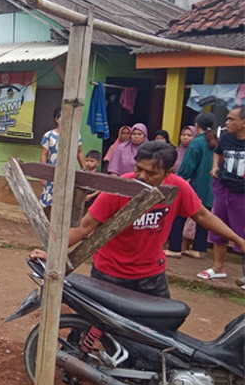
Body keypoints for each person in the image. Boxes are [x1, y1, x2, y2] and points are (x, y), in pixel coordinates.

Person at [31, 141, 245, 298]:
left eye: (151, 172)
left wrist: (238, 239)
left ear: (167, 172)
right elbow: (85, 227)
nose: (141, 176)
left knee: (160, 331)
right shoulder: (120, 188)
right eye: (138, 169)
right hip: (109, 273)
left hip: (151, 275)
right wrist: (52, 252)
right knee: (97, 329)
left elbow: (202, 215)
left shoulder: (177, 187)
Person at [198, 106, 245, 280]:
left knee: (243, 231)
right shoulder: (225, 138)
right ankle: (218, 267)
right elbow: (217, 153)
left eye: (231, 119)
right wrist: (215, 166)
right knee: (219, 226)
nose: (227, 123)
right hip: (224, 188)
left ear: (243, 122)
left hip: (242, 192)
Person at [167, 115, 216, 259]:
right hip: (210, 188)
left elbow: (187, 168)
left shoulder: (196, 143)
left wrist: (179, 179)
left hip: (194, 187)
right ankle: (197, 249)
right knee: (203, 218)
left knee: (179, 215)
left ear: (197, 124)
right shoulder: (215, 142)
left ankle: (175, 248)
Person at [40, 107, 86, 211]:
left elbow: (79, 152)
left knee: (65, 200)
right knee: (48, 202)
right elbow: (44, 154)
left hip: (68, 173)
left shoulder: (76, 136)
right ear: (57, 119)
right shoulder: (49, 135)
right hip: (51, 173)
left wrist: (84, 169)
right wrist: (42, 175)